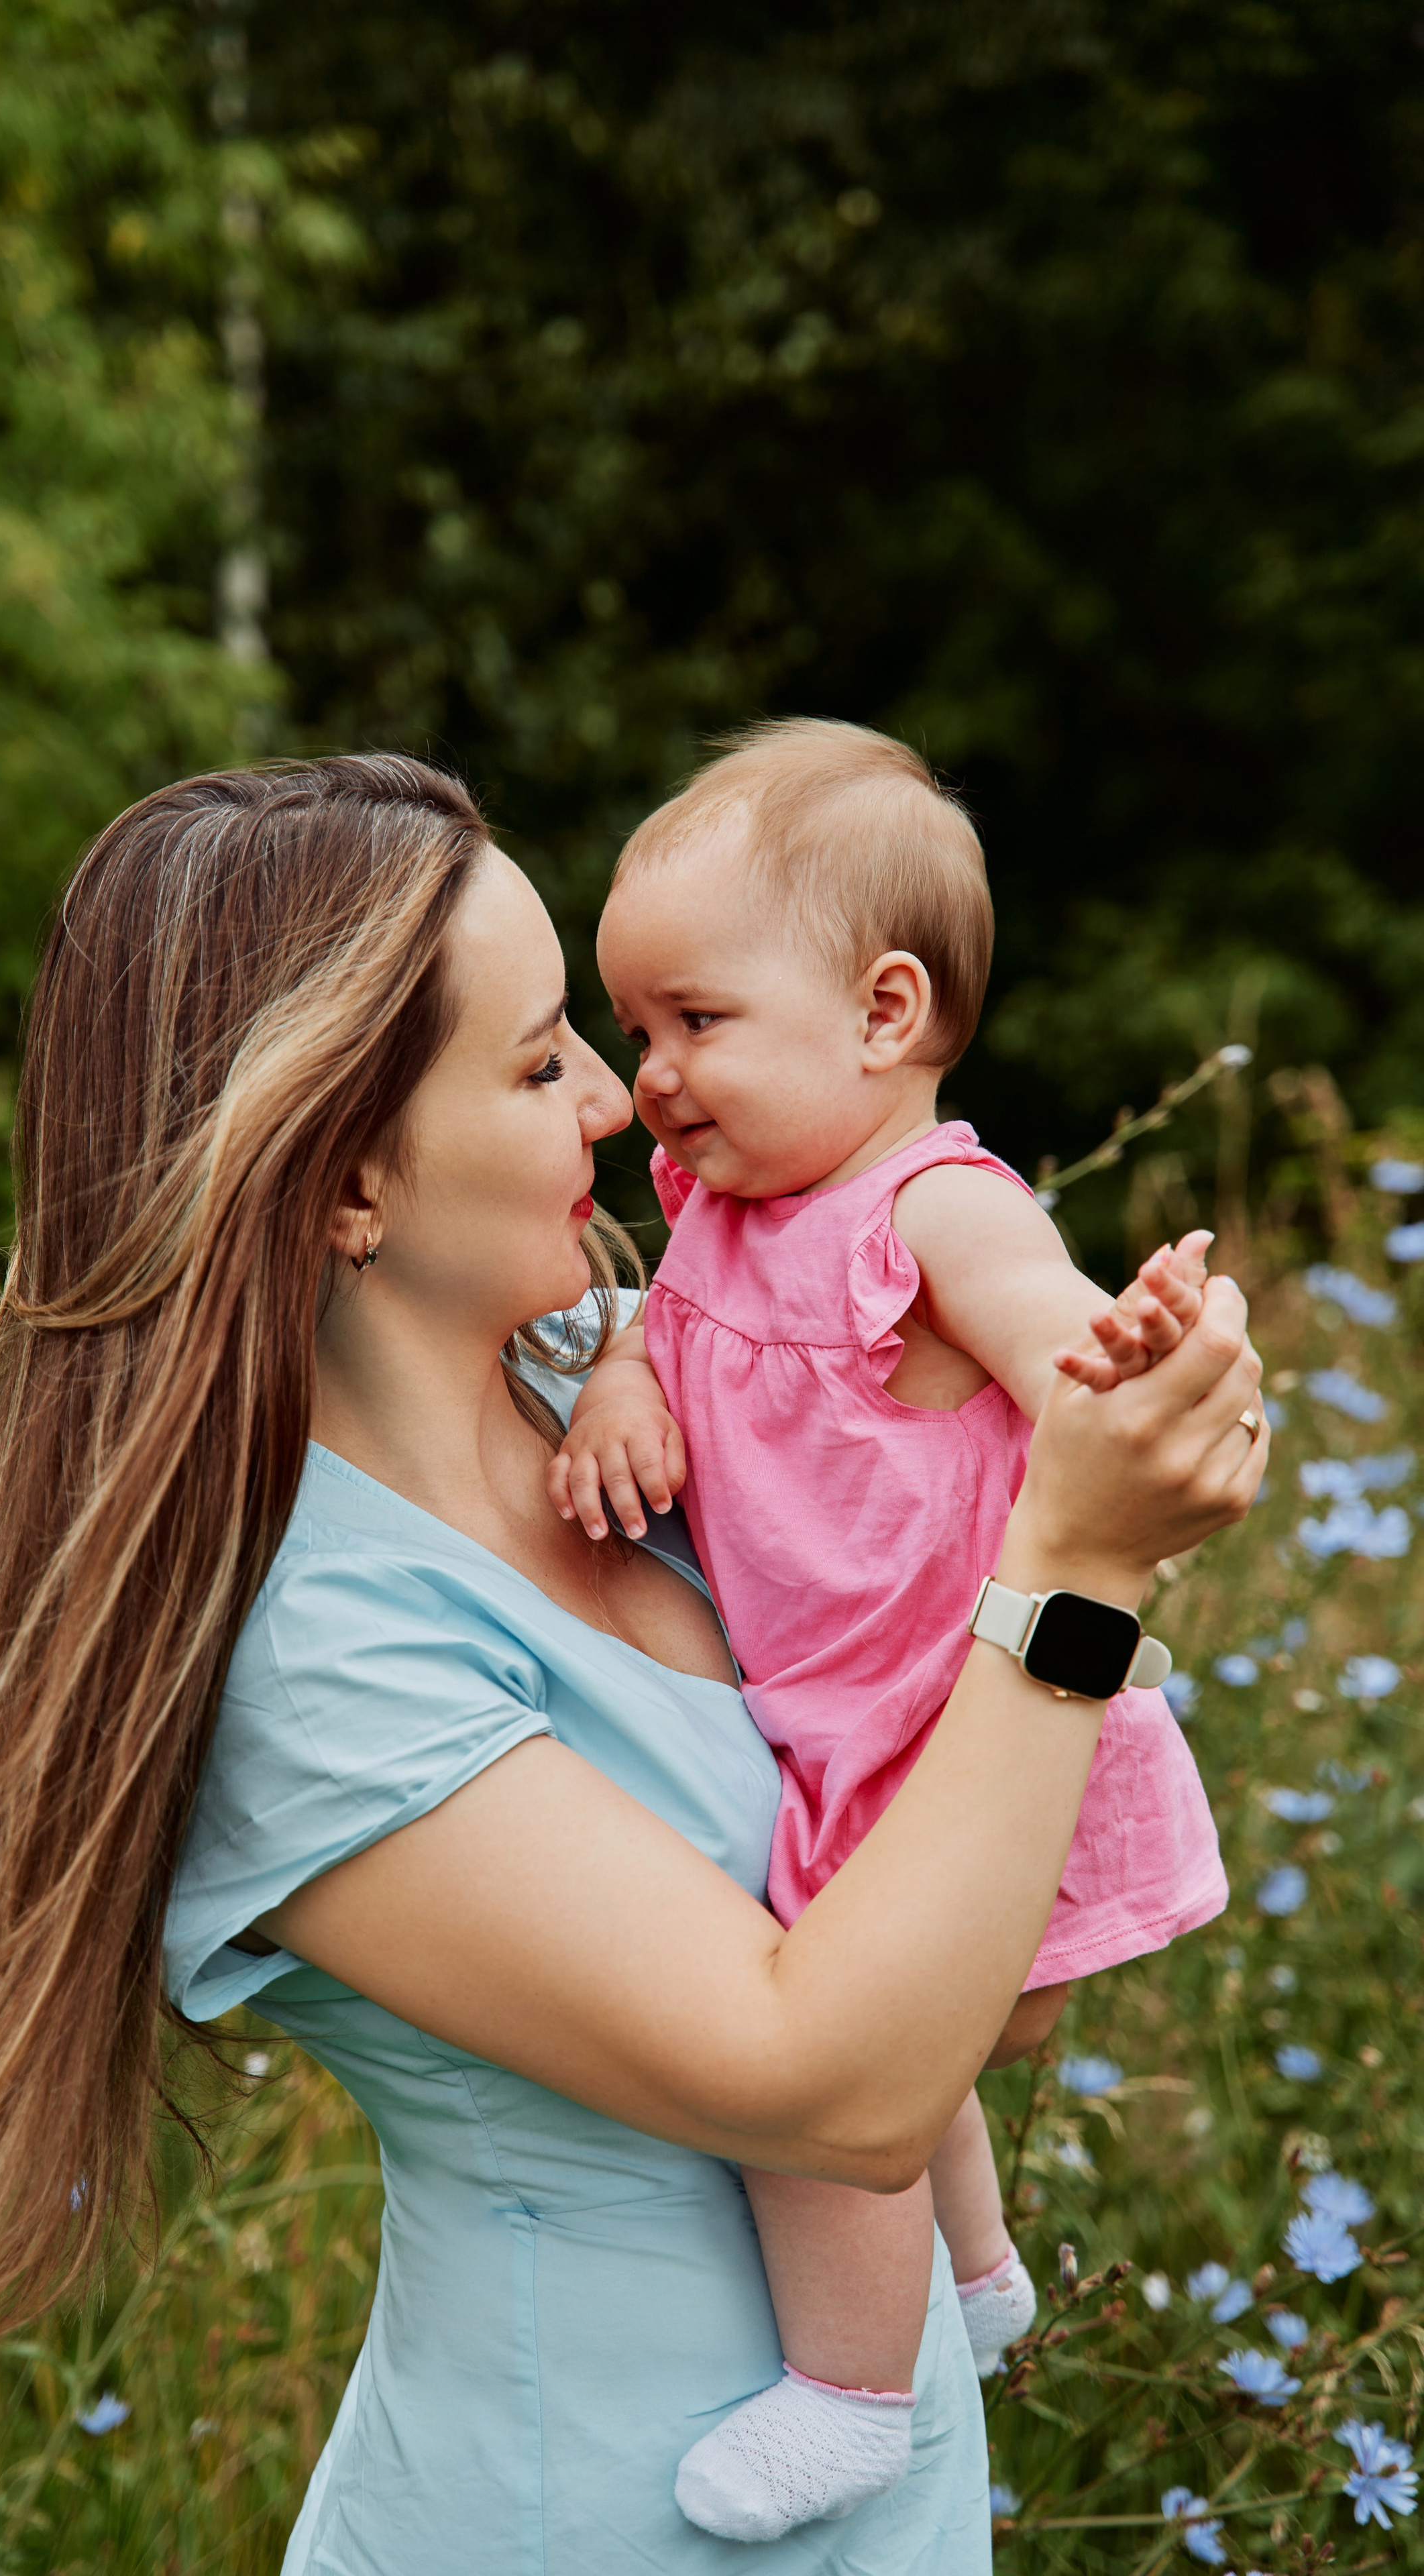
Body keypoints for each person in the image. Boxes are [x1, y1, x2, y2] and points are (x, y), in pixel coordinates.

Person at [0, 757, 1265, 2576]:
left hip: (880, 2511)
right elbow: (841, 2087)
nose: (624, 1100)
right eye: (546, 1064)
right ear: (346, 1180)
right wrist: (1078, 1571)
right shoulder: (318, 1656)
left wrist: (1091, 1408)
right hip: (587, 2520)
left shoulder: (612, 1400)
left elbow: (966, 1918)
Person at [555, 717, 1230, 2540]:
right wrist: (620, 1382)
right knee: (883, 2026)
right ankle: (980, 2272)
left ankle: (853, 2391)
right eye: (636, 1030)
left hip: (940, 1726)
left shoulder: (930, 1211)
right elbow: (659, 1321)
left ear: (883, 1013)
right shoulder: (719, 1207)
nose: (651, 1078)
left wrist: (1128, 1350)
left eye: (696, 1020)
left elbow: (1059, 1346)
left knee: (826, 2062)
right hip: (827, 1717)